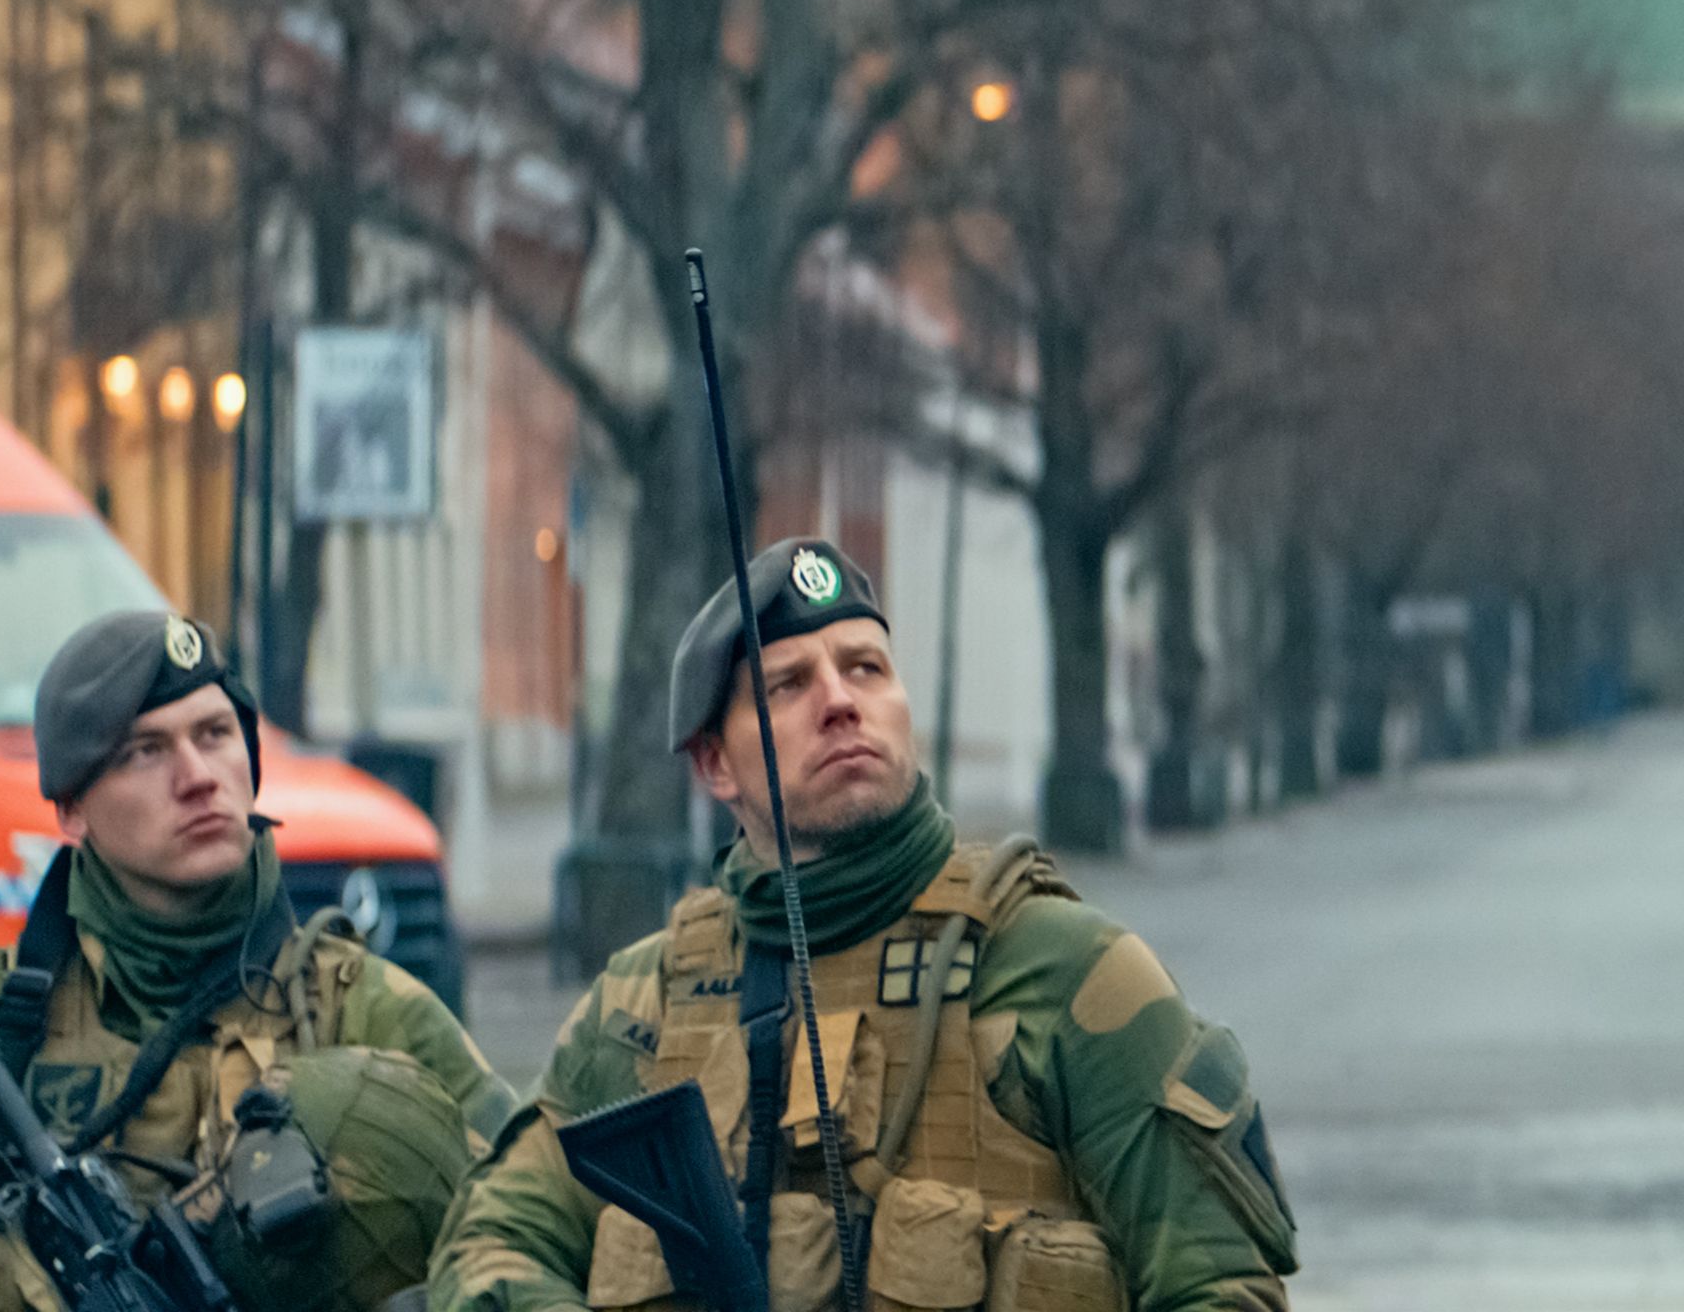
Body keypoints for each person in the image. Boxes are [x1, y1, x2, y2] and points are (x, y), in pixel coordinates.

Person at [427, 540, 1292, 1312]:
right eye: (787, 686)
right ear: (715, 763)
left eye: (866, 668)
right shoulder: (642, 1008)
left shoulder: (1064, 972)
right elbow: (491, 1244)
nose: (841, 703)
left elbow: (1223, 1286)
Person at [0, 612, 510, 1312]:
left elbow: (524, 1232)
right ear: (72, 810)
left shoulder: (368, 1010)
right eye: (145, 750)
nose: (198, 776)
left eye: (216, 734)